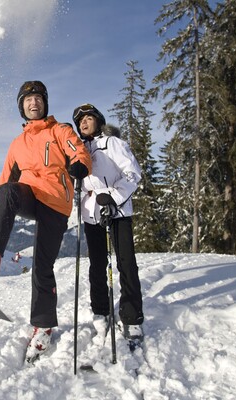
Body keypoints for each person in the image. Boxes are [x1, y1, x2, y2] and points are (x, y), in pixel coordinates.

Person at [0, 81, 91, 362]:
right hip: (30, 195)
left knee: (42, 266)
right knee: (8, 191)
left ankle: (43, 326)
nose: (34, 103)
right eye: (28, 99)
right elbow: (4, 181)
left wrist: (80, 164)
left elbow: (78, 151)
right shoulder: (17, 144)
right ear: (21, 106)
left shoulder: (60, 130)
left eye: (38, 99)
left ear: (45, 103)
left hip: (56, 201)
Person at [72, 103, 145, 347]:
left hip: (117, 210)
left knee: (125, 263)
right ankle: (100, 310)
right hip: (91, 214)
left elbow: (133, 173)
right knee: (97, 265)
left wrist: (113, 197)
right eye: (80, 120)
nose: (83, 122)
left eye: (88, 117)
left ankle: (132, 316)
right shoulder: (79, 149)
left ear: (99, 121)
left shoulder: (112, 143)